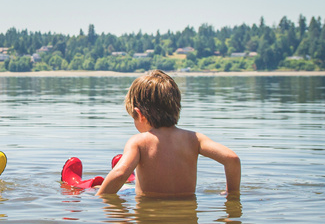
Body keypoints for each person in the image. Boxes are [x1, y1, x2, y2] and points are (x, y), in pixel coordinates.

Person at [63, 70, 239, 198]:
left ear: (140, 115)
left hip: (148, 214)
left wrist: (100, 198)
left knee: (93, 189)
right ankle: (135, 175)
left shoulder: (139, 142)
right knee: (128, 183)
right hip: (185, 222)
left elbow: (119, 173)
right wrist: (232, 194)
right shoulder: (195, 139)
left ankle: (77, 185)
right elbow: (232, 159)